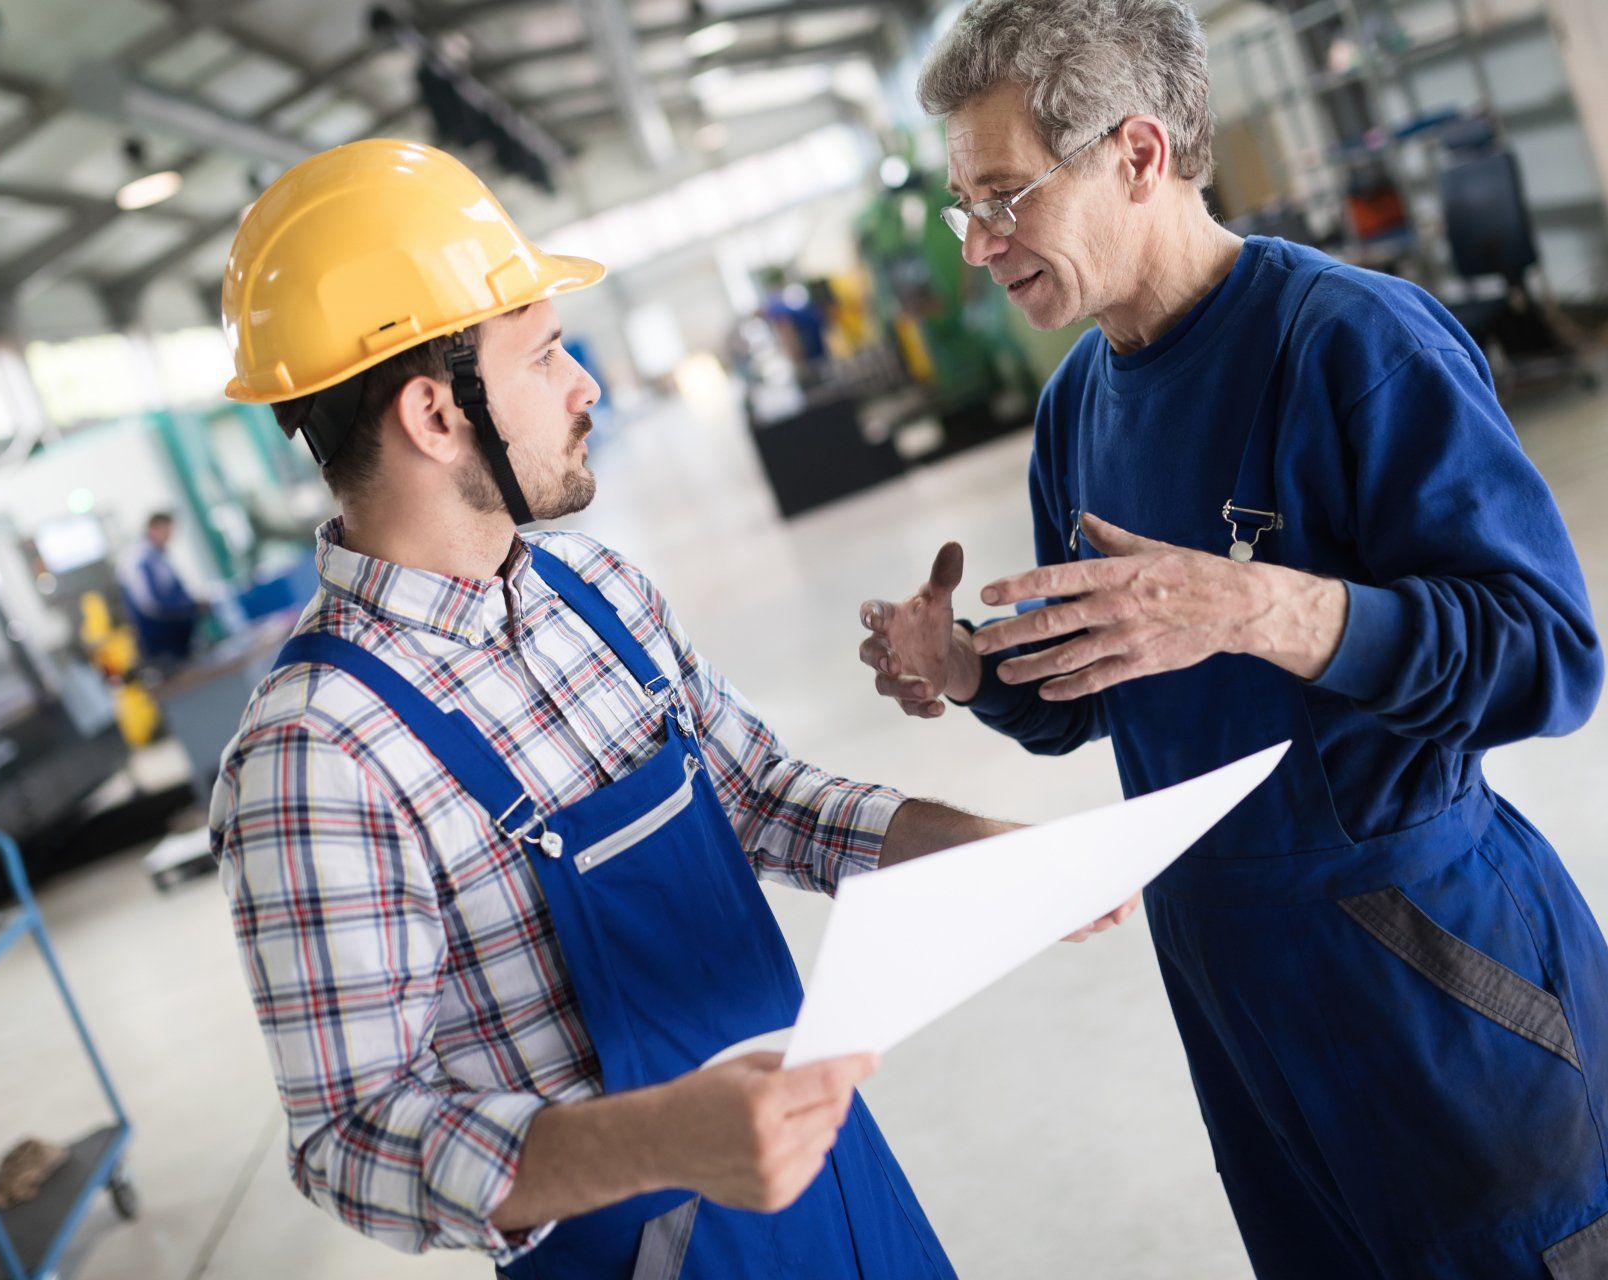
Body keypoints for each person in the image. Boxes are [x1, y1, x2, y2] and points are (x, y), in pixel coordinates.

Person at [209, 139, 1119, 1277]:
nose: (586, 384)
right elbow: (351, 1135)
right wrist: (664, 1137)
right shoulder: (315, 754)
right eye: (545, 357)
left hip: (826, 1180)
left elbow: (762, 797)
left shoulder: (595, 590)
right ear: (437, 415)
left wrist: (980, 854)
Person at [859, 2, 1608, 1276]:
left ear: (1137, 156)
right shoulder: (1076, 410)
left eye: (1003, 195)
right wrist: (973, 668)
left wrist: (1262, 607)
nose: (978, 245)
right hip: (1236, 992)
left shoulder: (1354, 344)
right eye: (960, 204)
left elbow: (1548, 655)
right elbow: (1087, 688)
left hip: (1428, 969)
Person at [116, 511, 204, 660]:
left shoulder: (156, 556)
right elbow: (150, 604)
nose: (169, 537)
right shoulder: (139, 559)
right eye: (166, 531)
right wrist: (187, 607)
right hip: (161, 638)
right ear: (153, 529)